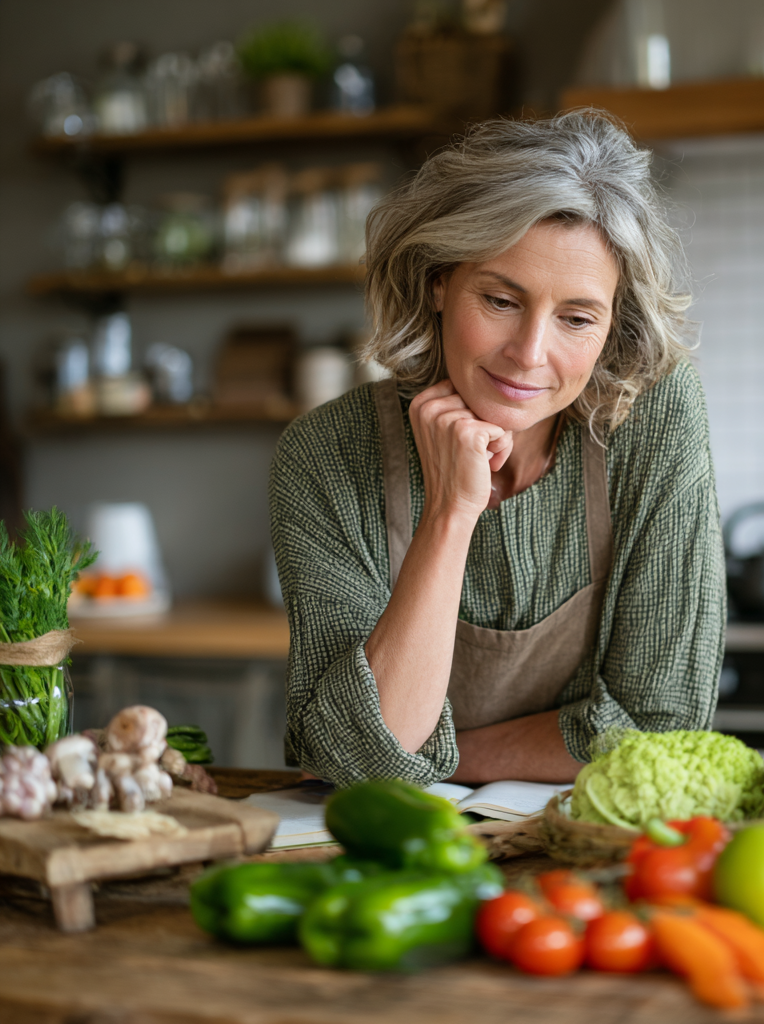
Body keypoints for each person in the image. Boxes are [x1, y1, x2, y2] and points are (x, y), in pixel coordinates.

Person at [269, 111, 726, 788]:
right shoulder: (327, 453)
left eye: (576, 317)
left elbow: (664, 725)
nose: (529, 355)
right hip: (403, 856)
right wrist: (451, 512)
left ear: (612, 327)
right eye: (500, 299)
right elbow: (353, 759)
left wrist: (433, 763)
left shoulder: (651, 414)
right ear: (438, 281)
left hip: (592, 852)